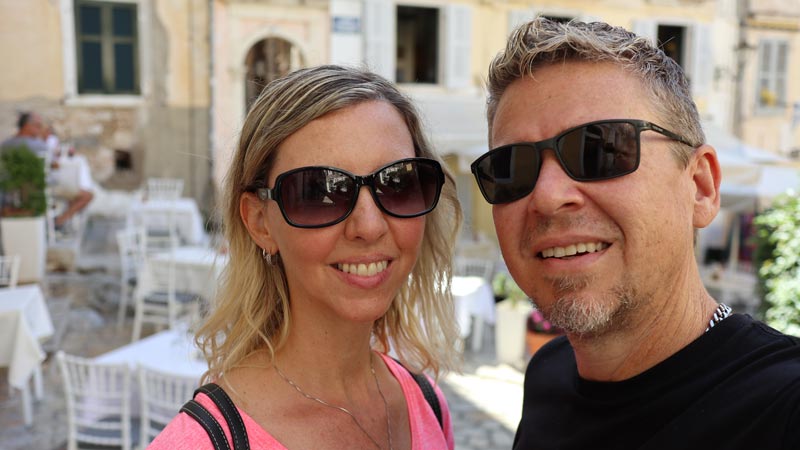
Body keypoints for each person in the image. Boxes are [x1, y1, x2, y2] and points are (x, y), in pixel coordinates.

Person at [470, 17, 800, 449]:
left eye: (599, 149)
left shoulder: (783, 408)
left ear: (700, 187)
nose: (547, 196)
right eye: (509, 169)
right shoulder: (548, 373)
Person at [150, 65, 462, 449]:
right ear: (261, 222)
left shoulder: (427, 403)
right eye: (319, 192)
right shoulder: (202, 443)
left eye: (397, 182)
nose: (369, 226)